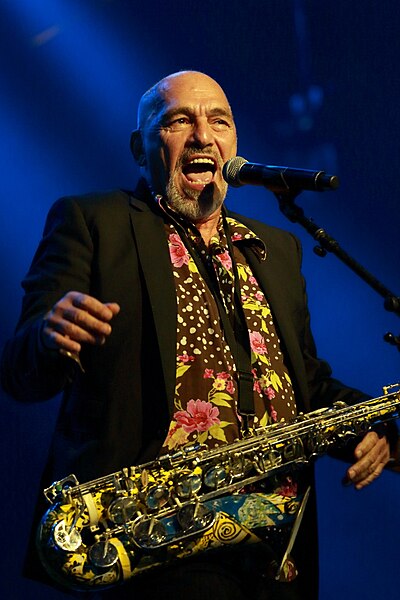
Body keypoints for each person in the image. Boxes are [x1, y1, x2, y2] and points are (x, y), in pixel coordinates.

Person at [0, 71, 393, 600]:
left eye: (219, 121)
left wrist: (381, 433)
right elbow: (18, 373)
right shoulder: (94, 221)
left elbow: (307, 387)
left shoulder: (275, 248)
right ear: (142, 148)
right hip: (154, 538)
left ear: (234, 145)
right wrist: (49, 336)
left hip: (275, 546)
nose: (203, 136)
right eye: (179, 120)